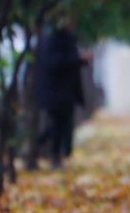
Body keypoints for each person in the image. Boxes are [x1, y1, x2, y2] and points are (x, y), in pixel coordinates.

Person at [35, 16, 89, 168]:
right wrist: (79, 59)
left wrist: (80, 60)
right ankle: (48, 150)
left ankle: (58, 153)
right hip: (55, 92)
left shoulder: (68, 39)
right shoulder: (53, 40)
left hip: (65, 92)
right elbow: (57, 62)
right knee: (56, 125)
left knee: (63, 124)